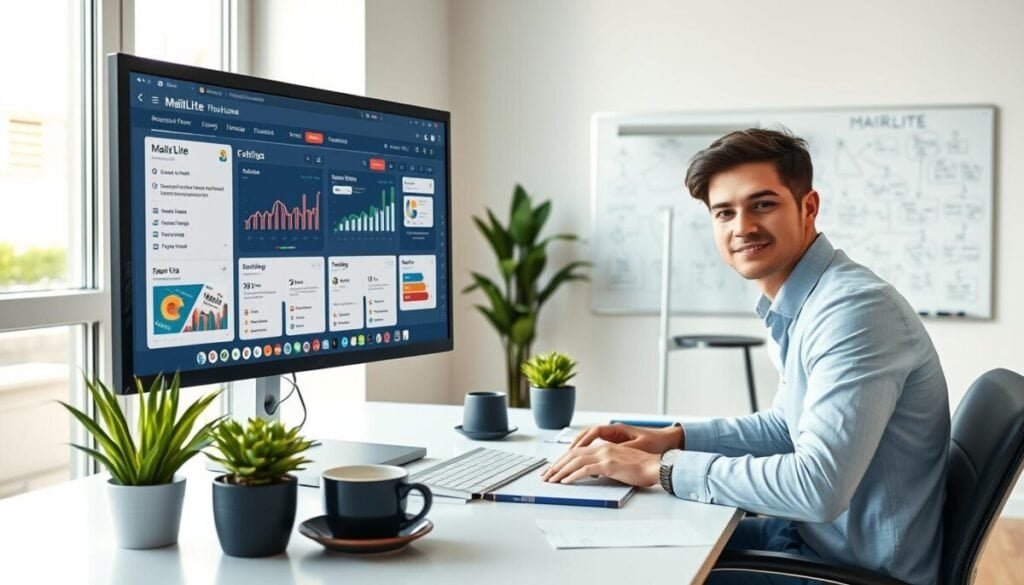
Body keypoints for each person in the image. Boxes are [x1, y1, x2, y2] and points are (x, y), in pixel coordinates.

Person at [541, 128, 950, 585]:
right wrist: (671, 439)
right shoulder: (809, 301)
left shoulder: (854, 312)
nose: (742, 227)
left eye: (763, 204)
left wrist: (658, 469)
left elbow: (816, 487)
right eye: (724, 213)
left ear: (808, 207)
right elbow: (785, 427)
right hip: (813, 544)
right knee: (615, 546)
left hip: (850, 572)